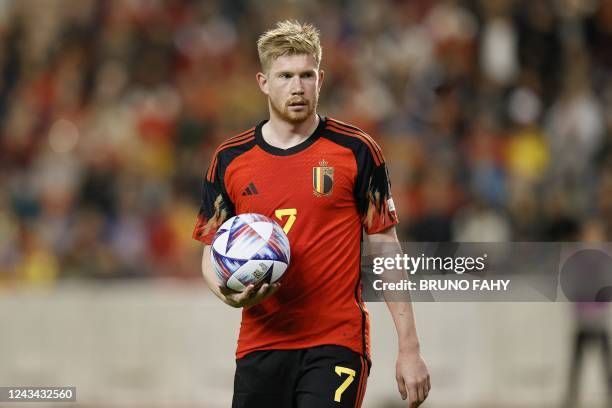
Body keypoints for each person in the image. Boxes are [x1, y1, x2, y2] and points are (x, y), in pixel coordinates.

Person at [193, 20, 430, 408]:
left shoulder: (357, 150)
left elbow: (386, 244)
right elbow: (210, 249)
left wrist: (409, 348)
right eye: (285, 76)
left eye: (306, 75)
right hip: (260, 344)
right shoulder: (229, 160)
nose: (297, 87)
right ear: (263, 82)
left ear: (321, 79)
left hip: (335, 343)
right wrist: (229, 295)